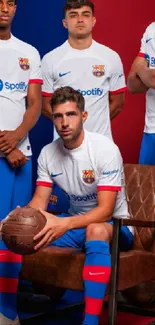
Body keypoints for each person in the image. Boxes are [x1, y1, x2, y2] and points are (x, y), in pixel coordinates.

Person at [29, 86, 134, 325]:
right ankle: (6, 312)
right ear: (53, 118)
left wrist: (64, 223)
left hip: (115, 227)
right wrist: (20, 218)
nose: (64, 122)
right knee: (14, 231)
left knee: (95, 229)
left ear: (83, 116)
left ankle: (90, 321)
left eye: (71, 114)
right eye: (58, 116)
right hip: (75, 225)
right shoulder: (47, 152)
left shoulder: (105, 149)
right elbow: (39, 200)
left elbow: (106, 210)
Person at [0, 0, 42, 323]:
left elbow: (34, 105)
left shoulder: (29, 52)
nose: (5, 7)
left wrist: (16, 139)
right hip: (6, 152)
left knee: (16, 235)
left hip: (21, 155)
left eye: (11, 2)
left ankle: (8, 309)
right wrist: (6, 145)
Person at [42, 0, 126, 141]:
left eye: (85, 15)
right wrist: (69, 126)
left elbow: (117, 104)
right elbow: (44, 106)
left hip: (101, 142)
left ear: (93, 21)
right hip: (64, 145)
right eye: (73, 15)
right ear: (65, 23)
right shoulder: (50, 59)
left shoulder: (111, 57)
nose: (80, 20)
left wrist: (92, 125)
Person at [127, 22, 155, 165]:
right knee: (146, 186)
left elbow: (152, 79)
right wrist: (148, 76)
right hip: (151, 130)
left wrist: (141, 70)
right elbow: (132, 84)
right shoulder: (151, 29)